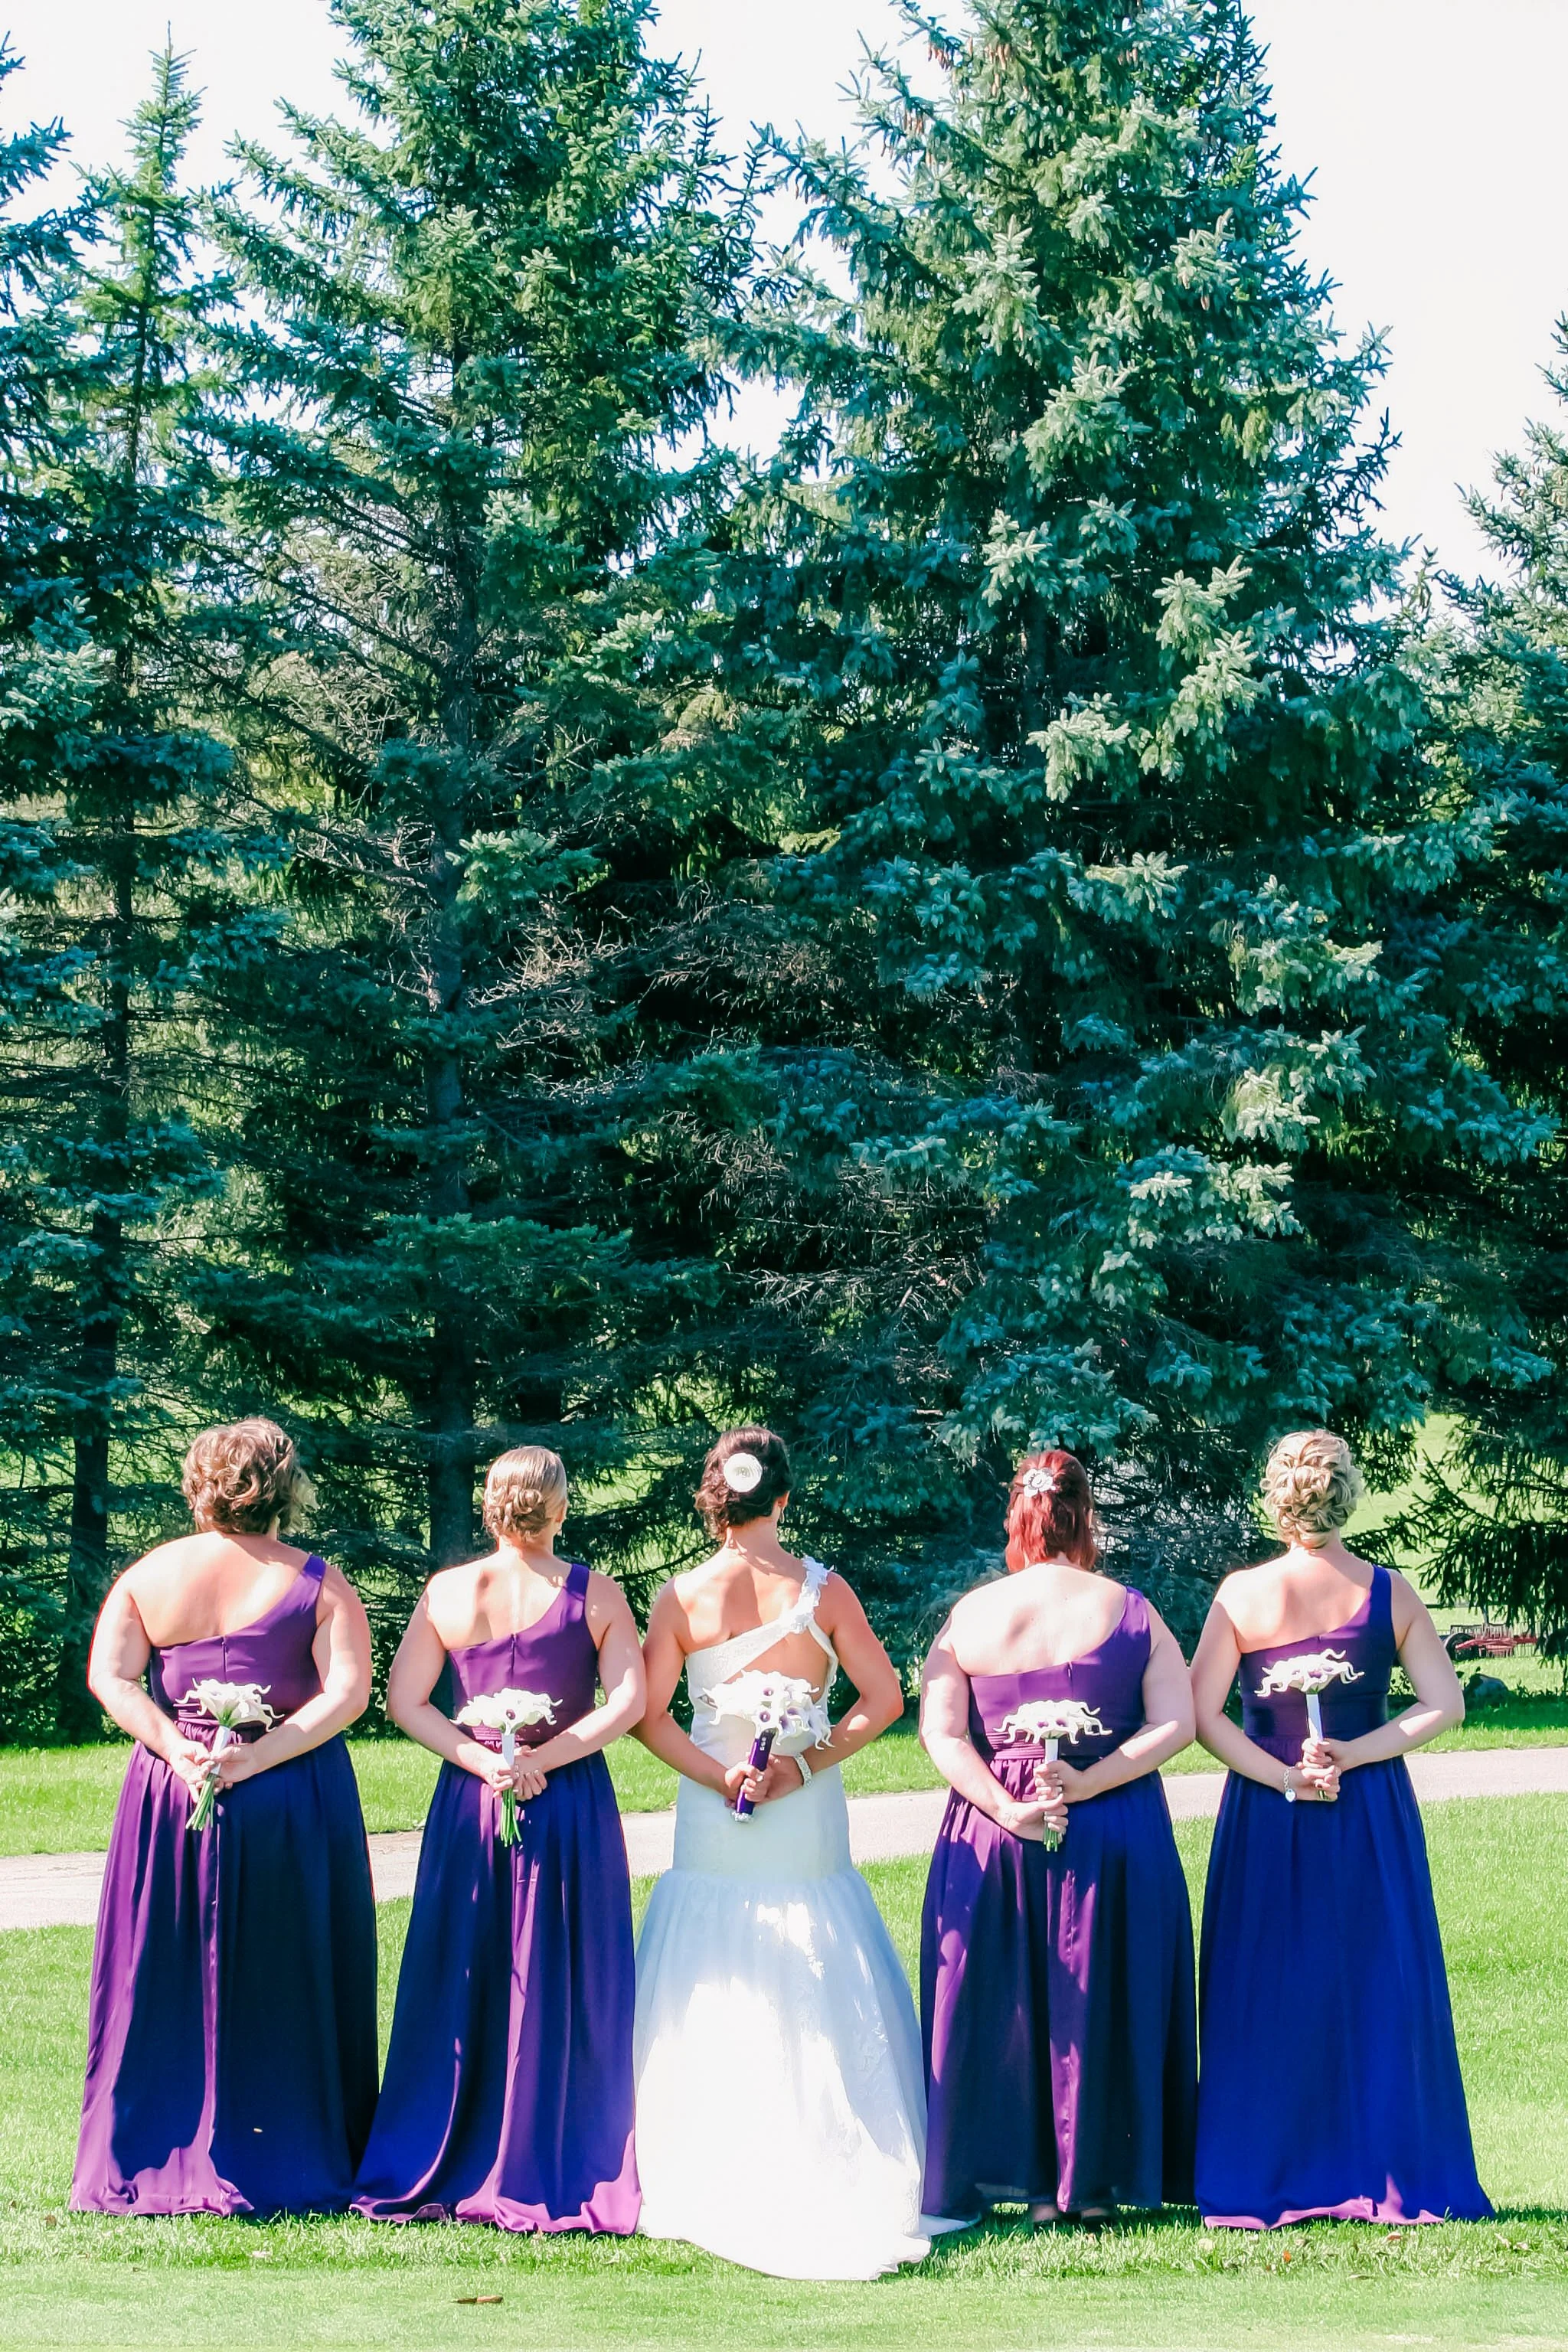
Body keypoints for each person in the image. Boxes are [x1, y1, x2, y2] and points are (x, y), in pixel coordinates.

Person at [632, 1426, 946, 2278]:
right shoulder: (823, 1589)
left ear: (711, 1500)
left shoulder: (678, 1596)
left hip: (712, 1812)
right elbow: (882, 1699)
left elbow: (647, 1716)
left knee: (713, 1956)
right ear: (782, 1498)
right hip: (803, 1810)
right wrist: (799, 1768)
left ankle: (708, 2151)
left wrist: (719, 1776)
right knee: (815, 1951)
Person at [72, 1419, 377, 2216]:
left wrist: (176, 1747)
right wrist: (259, 1755)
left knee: (162, 1963)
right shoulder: (320, 1581)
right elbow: (346, 1695)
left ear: (198, 1484)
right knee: (290, 1964)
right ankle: (289, 2147)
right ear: (284, 1485)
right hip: (287, 1797)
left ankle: (151, 2149)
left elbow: (111, 1677)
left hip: (172, 1796)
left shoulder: (150, 1572)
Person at [1190, 1427, 1491, 2229]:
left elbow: (1199, 1717)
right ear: (1343, 1493)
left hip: (1267, 1811)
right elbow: (1442, 1705)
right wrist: (1355, 1754)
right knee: (1373, 1978)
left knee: (1269, 1984)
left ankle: (1269, 2169)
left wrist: (1282, 1774)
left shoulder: (1240, 1594)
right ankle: (1382, 2165)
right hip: (1367, 1811)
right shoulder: (1387, 1590)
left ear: (1276, 1496)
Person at [353, 1447, 645, 2233]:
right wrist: (542, 1760)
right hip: (567, 1794)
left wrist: (483, 1761)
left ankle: (449, 2143)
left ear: (490, 1506)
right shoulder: (596, 1592)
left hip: (471, 1797)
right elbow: (628, 1701)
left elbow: (404, 1700)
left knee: (466, 1961)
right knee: (564, 1967)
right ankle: (558, 2142)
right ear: (558, 1507)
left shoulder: (448, 1591)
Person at [919, 1449, 1197, 2226]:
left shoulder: (969, 1614)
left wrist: (1004, 1810)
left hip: (992, 1828)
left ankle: (1028, 2184)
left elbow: (940, 1734)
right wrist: (1090, 1778)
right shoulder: (1130, 1608)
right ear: (1085, 1516)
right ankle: (1099, 2183)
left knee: (1002, 2001)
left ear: (1017, 1516)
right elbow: (1177, 1721)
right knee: (1109, 1993)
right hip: (1110, 1825)